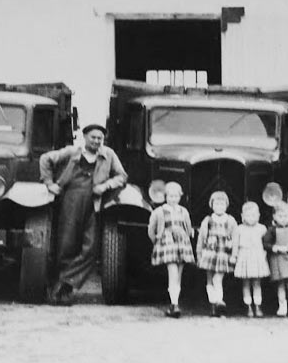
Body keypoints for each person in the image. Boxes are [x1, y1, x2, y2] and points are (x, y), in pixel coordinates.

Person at [40, 123, 127, 305]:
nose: (96, 141)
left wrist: (105, 186)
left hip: (94, 203)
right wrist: (50, 183)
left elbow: (122, 176)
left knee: (91, 249)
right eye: (93, 137)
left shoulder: (108, 155)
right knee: (66, 245)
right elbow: (45, 159)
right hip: (70, 200)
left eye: (100, 138)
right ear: (85, 137)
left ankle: (65, 282)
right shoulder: (72, 152)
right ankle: (63, 292)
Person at [148, 182, 195, 318]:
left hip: (181, 244)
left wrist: (186, 235)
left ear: (180, 197)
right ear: (165, 196)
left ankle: (175, 303)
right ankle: (174, 303)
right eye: (170, 196)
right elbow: (151, 229)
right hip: (167, 243)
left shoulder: (183, 211)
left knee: (178, 274)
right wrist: (157, 241)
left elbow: (188, 228)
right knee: (172, 272)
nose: (173, 199)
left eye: (176, 196)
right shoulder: (159, 212)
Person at [195, 191, 238, 317]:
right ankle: (213, 305)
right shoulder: (207, 220)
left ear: (226, 205)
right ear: (212, 205)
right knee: (209, 279)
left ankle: (219, 300)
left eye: (222, 204)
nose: (219, 206)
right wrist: (199, 254)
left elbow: (235, 238)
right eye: (216, 204)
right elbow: (201, 239)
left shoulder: (230, 220)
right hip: (209, 253)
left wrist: (234, 255)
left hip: (223, 253)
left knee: (217, 278)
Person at [263, 201, 288, 318]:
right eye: (280, 216)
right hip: (278, 259)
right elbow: (266, 244)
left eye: (286, 216)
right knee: (280, 284)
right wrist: (276, 248)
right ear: (274, 216)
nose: (283, 219)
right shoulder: (272, 230)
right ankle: (282, 306)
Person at [231, 201, 270, 318]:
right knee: (246, 283)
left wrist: (265, 254)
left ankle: (258, 306)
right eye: (248, 215)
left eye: (254, 215)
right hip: (244, 256)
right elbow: (235, 244)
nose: (251, 218)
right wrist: (234, 256)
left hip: (257, 256)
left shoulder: (262, 228)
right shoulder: (239, 229)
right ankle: (248, 306)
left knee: (257, 283)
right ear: (242, 216)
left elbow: (266, 243)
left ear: (258, 216)